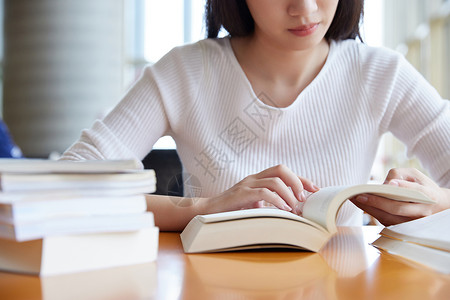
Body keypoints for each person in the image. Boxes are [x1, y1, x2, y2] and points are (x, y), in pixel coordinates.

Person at [61, 0, 450, 230]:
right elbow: (66, 186)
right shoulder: (184, 72)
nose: (306, 8)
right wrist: (202, 209)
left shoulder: (381, 74)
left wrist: (436, 205)